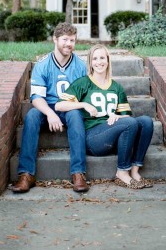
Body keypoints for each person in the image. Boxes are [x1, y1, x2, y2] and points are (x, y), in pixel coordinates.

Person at [56, 44, 154, 189]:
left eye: (102, 57)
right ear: (90, 62)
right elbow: (59, 105)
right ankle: (122, 172)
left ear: (108, 60)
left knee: (146, 122)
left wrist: (117, 116)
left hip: (114, 137)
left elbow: (127, 116)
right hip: (94, 139)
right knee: (129, 123)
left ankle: (134, 171)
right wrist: (83, 104)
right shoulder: (84, 83)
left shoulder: (116, 87)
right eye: (95, 58)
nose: (99, 62)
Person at [11, 23, 90, 193]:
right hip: (47, 107)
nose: (69, 44)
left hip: (70, 107)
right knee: (32, 116)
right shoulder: (43, 65)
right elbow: (36, 98)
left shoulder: (81, 66)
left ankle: (78, 173)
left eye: (72, 40)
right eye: (65, 39)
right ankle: (26, 174)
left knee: (76, 115)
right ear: (55, 39)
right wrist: (50, 114)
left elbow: (85, 95)